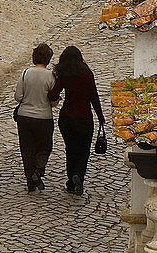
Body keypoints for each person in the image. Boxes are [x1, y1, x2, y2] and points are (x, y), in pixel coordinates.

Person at [48, 45, 104, 196]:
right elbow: (94, 96)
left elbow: (53, 95)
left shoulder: (64, 74)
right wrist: (100, 117)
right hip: (84, 118)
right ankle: (79, 175)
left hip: (67, 118)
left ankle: (71, 182)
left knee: (70, 149)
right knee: (83, 151)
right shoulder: (87, 74)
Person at [15, 43, 55, 193]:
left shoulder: (26, 73)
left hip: (24, 117)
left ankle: (29, 179)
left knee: (27, 149)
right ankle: (38, 171)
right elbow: (54, 101)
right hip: (44, 117)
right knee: (44, 147)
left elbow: (18, 96)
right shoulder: (51, 76)